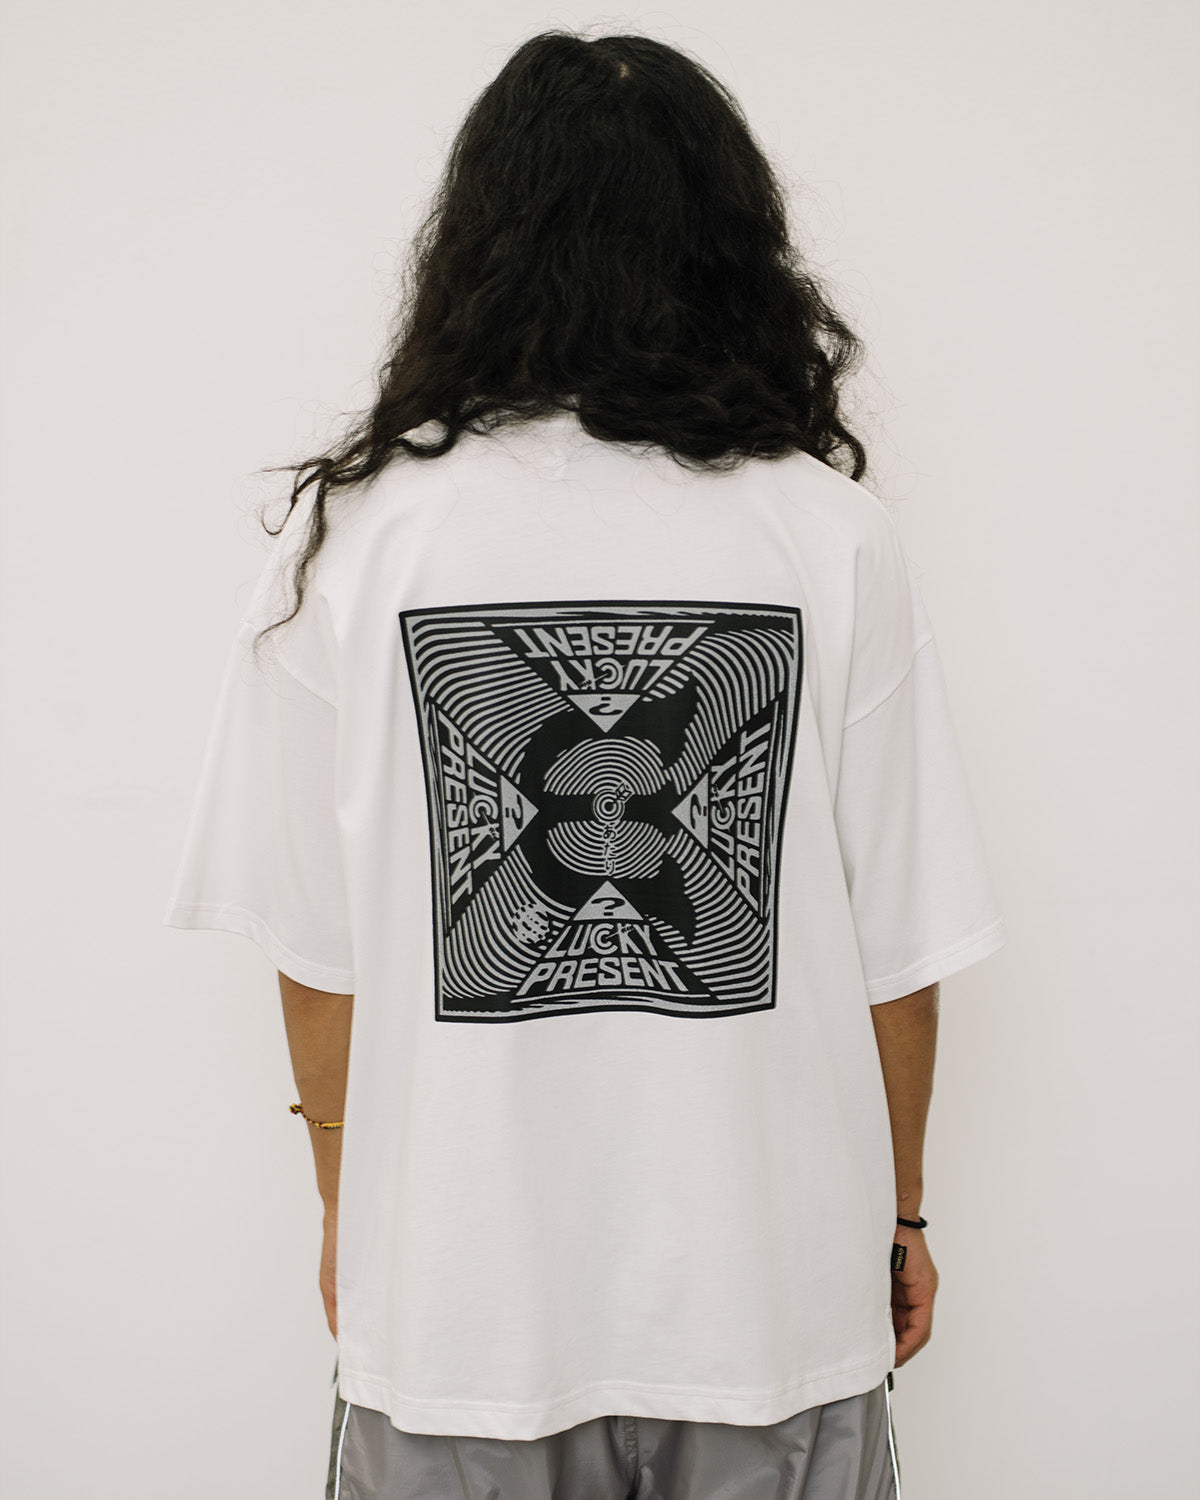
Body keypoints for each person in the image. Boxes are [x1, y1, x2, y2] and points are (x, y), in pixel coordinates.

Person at [163, 28, 1006, 1500]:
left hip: (460, 1315)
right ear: (731, 244)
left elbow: (316, 952)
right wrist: (903, 1213)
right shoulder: (826, 533)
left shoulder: (357, 538)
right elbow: (899, 948)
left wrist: (352, 1206)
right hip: (771, 1308)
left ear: (480, 241)